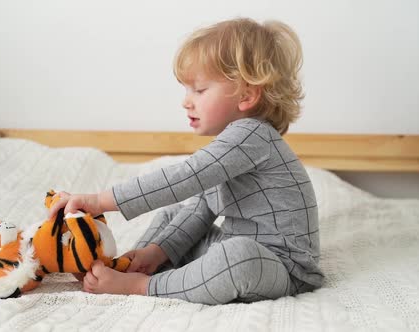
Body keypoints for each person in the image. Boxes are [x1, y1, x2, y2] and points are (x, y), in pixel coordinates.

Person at [48, 17, 322, 305]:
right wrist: (155, 251)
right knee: (172, 217)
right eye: (186, 90)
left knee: (237, 257)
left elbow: (185, 177)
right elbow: (202, 209)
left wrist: (100, 201)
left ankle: (142, 284)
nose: (186, 101)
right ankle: (127, 267)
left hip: (281, 268)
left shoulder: (253, 135)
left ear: (247, 95)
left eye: (200, 90)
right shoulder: (230, 146)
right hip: (234, 247)